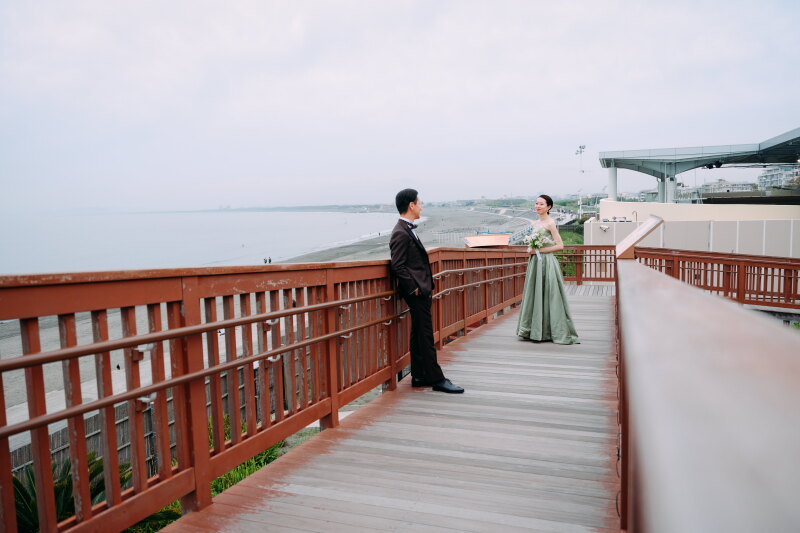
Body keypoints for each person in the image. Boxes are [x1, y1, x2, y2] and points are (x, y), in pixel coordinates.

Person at [390, 189, 464, 393]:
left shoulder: (406, 229)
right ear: (411, 205)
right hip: (416, 291)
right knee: (426, 335)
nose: (422, 206)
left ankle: (419, 375)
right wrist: (413, 288)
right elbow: (397, 265)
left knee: (418, 334)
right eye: (419, 202)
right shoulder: (400, 232)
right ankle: (437, 378)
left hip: (420, 289)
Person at [516, 194, 580, 344]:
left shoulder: (551, 223)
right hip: (535, 263)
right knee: (534, 294)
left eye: (541, 204)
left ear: (549, 207)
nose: (537, 206)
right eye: (536, 203)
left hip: (547, 262)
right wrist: (531, 248)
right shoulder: (535, 223)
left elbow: (560, 245)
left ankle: (550, 331)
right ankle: (532, 330)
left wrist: (539, 251)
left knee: (550, 295)